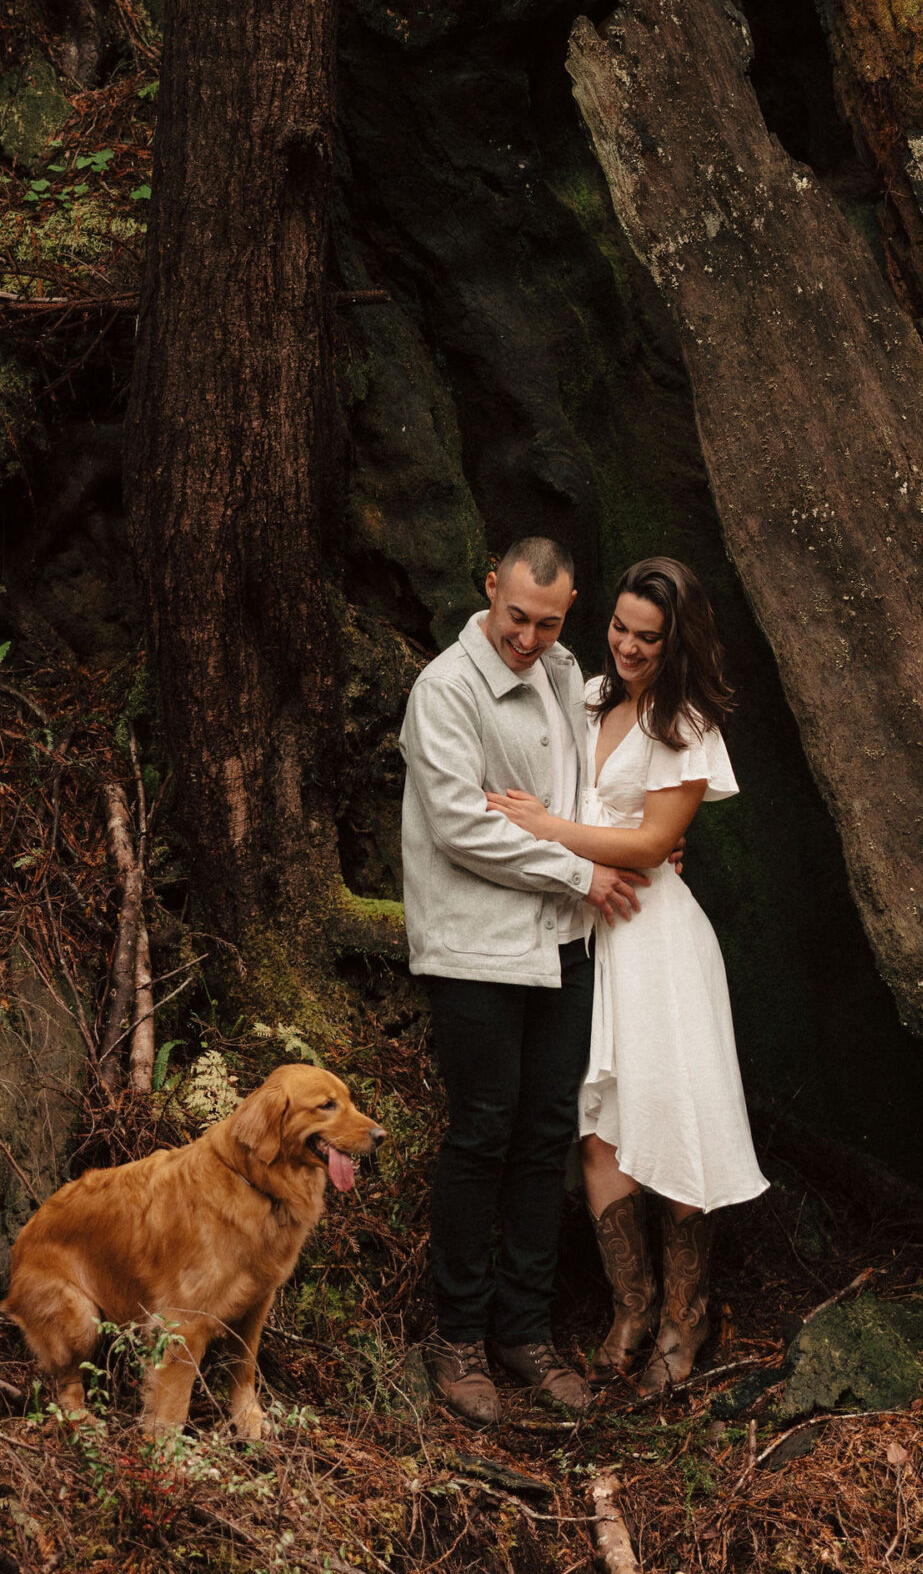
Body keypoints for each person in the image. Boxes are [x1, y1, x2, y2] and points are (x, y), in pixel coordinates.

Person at [486, 555, 768, 1394]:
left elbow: (649, 847)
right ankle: (632, 1309)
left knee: (672, 1114)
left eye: (648, 636)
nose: (629, 646)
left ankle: (687, 1319)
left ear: (676, 639)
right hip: (587, 931)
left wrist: (550, 827)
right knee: (599, 1124)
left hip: (658, 940)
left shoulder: (685, 724)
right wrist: (555, 829)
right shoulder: (588, 695)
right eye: (618, 628)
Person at [399, 536, 648, 1425]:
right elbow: (462, 826)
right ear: (489, 591)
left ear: (568, 609)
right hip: (476, 949)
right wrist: (581, 870)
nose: (528, 638)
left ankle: (525, 1334)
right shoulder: (445, 690)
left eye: (546, 623)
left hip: (561, 949)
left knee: (546, 1139)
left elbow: (587, 794)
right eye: (516, 617)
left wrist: (632, 841)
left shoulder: (568, 672)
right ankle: (457, 1336)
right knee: (482, 1135)